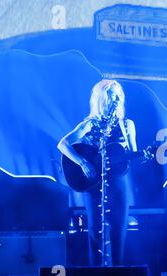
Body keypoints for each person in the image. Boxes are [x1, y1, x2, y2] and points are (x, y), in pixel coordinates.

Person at [58, 79, 137, 266]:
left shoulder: (127, 125)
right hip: (93, 183)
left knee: (119, 228)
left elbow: (134, 156)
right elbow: (63, 144)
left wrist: (150, 153)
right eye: (110, 96)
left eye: (117, 96)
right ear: (101, 99)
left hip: (118, 182)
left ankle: (118, 274)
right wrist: (83, 163)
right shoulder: (91, 123)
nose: (114, 100)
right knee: (95, 230)